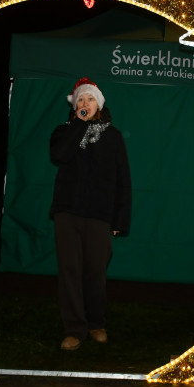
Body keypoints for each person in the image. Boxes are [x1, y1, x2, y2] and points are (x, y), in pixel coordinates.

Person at [49, 77, 131, 350]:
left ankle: (96, 323)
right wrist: (79, 124)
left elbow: (122, 178)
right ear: (75, 106)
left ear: (99, 104)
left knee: (96, 271)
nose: (85, 103)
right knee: (70, 271)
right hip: (67, 212)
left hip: (99, 214)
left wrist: (120, 218)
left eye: (90, 99)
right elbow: (59, 155)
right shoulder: (63, 131)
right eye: (81, 100)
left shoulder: (113, 136)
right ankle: (74, 329)